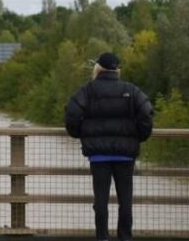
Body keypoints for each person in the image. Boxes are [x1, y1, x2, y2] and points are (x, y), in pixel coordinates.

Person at [64, 52, 153, 241]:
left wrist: (80, 133)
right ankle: (125, 237)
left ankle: (102, 237)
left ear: (98, 68)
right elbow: (146, 112)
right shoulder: (130, 89)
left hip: (99, 155)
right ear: (117, 69)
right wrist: (139, 136)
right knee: (125, 201)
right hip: (125, 154)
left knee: (101, 201)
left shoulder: (88, 90)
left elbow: (71, 113)